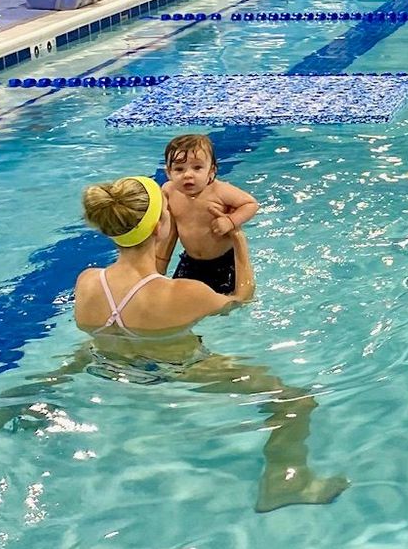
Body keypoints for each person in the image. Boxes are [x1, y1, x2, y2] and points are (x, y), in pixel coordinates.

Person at [20, 175, 348, 512]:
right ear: (161, 226)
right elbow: (241, 299)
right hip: (177, 369)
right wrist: (239, 241)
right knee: (295, 402)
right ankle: (285, 483)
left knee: (98, 344)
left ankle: (24, 398)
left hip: (107, 361)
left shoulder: (88, 281)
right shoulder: (182, 293)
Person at [157, 133, 259, 295]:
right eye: (178, 169)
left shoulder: (219, 191)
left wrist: (231, 222)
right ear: (168, 172)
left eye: (197, 168)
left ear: (211, 170)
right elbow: (169, 231)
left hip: (224, 262)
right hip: (190, 261)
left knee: (230, 303)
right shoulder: (169, 191)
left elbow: (250, 204)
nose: (188, 174)